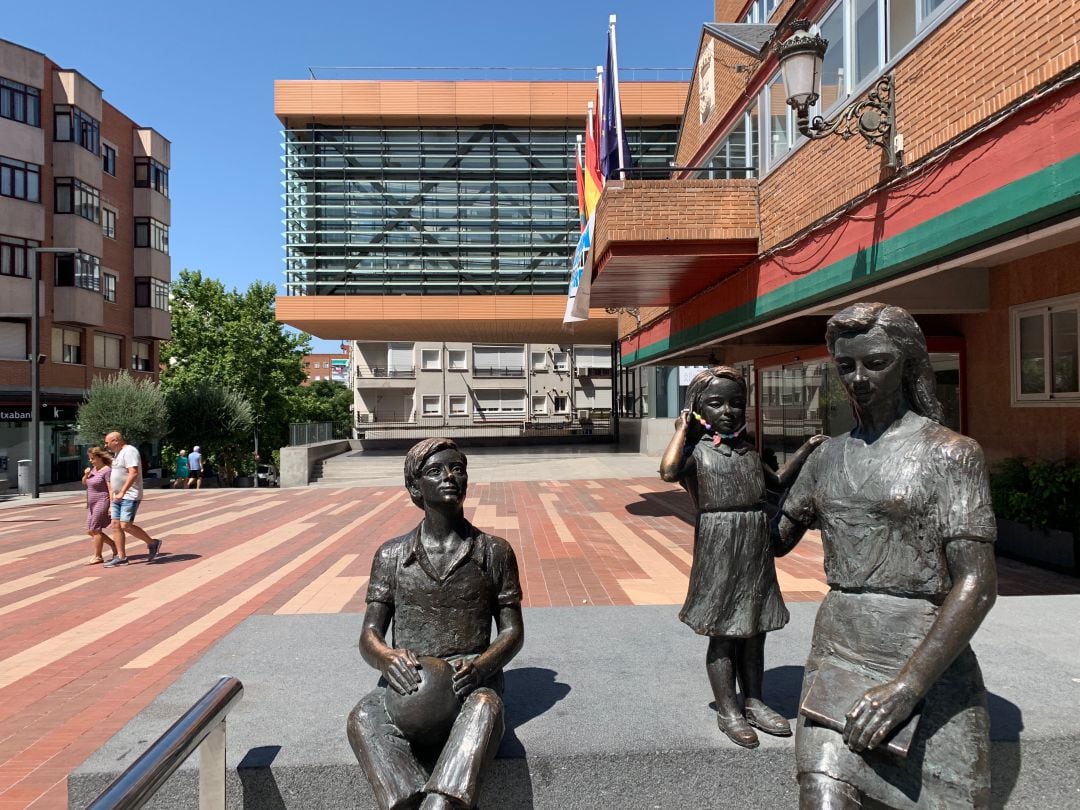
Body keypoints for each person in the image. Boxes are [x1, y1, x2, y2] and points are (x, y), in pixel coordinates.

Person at [777, 303, 997, 809]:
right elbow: (774, 540)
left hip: (924, 656)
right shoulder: (828, 456)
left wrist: (907, 685)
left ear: (909, 364)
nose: (857, 378)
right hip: (840, 651)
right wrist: (726, 489)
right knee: (823, 795)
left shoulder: (951, 453)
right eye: (845, 365)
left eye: (875, 363)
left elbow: (977, 585)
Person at [347, 438, 524, 810]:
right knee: (363, 716)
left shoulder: (495, 552)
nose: (450, 477)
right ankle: (404, 798)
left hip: (469, 688)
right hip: (407, 692)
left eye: (458, 469)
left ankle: (440, 804)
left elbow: (512, 632)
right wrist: (387, 659)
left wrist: (481, 667)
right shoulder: (392, 555)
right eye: (436, 471)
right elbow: (369, 635)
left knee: (486, 710)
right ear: (415, 487)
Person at [659, 366, 823, 748]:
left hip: (754, 543)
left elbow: (779, 481)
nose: (729, 411)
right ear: (697, 408)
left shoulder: (748, 453)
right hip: (719, 545)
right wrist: (682, 429)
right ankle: (729, 708)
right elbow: (667, 472)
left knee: (755, 627)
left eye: (737, 403)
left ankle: (755, 700)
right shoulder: (697, 454)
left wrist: (808, 449)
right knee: (723, 630)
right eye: (716, 403)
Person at [103, 431, 163, 567]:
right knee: (115, 525)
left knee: (125, 525)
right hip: (118, 496)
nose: (106, 446)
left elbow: (133, 472)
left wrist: (123, 491)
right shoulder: (117, 454)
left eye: (107, 442)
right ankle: (121, 557)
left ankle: (153, 543)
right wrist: (112, 499)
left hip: (129, 495)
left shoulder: (129, 451)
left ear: (116, 440)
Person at [82, 446, 117, 564]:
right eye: (90, 459)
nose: (91, 461)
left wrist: (112, 505)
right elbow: (85, 483)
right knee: (89, 530)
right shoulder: (93, 469)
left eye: (93, 458)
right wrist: (86, 474)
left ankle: (98, 556)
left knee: (95, 529)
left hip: (102, 501)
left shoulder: (107, 470)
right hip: (91, 503)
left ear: (100, 457)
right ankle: (113, 544)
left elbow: (110, 488)